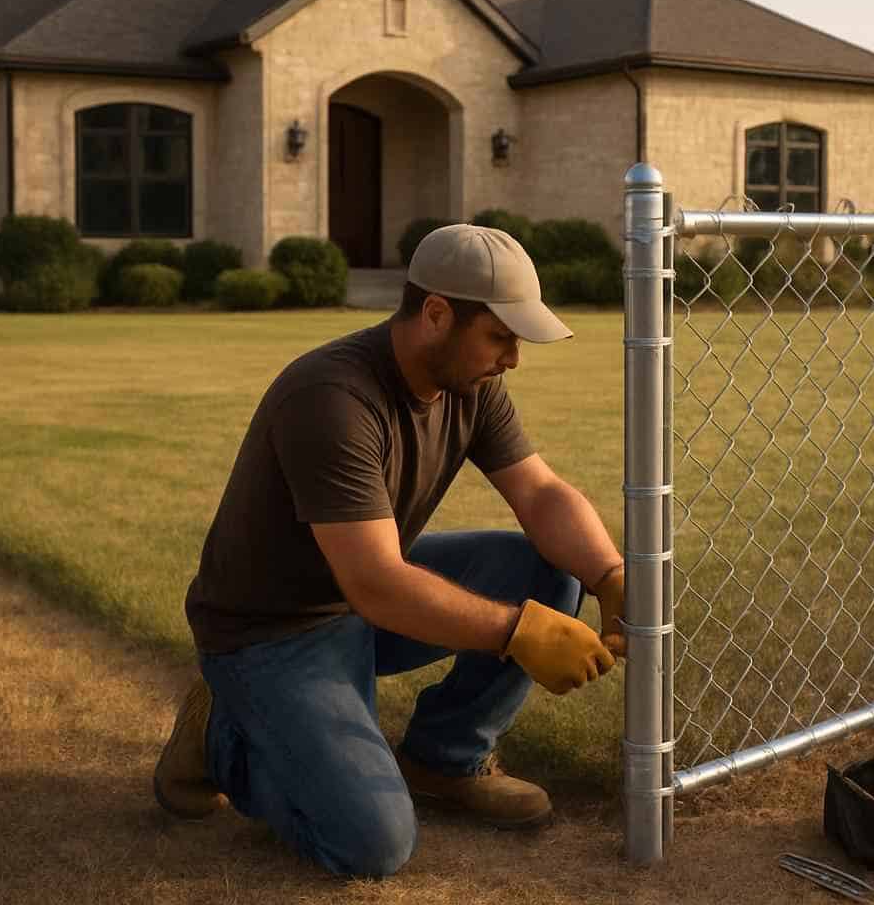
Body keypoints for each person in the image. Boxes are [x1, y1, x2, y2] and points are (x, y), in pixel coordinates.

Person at [153, 223, 627, 878]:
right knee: (371, 843)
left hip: (364, 599)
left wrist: (610, 574)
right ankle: (219, 739)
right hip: (270, 633)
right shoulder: (332, 399)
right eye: (501, 336)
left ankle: (445, 761)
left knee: (551, 568)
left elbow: (541, 492)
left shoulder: (473, 386)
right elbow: (374, 582)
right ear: (437, 314)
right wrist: (516, 631)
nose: (512, 359)